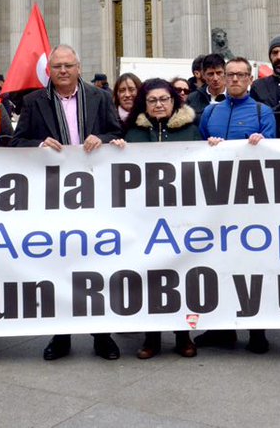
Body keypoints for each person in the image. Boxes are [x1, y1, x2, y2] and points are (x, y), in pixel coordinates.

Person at [12, 45, 123, 361]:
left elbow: (116, 132)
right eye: (57, 66)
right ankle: (61, 334)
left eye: (68, 65)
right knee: (59, 265)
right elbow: (17, 142)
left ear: (79, 67)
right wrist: (38, 143)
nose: (62, 70)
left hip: (95, 194)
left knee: (97, 264)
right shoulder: (34, 102)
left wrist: (100, 137)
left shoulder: (99, 98)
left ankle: (102, 335)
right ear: (50, 70)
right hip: (54, 196)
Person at [112, 78, 200, 359]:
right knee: (149, 277)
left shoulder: (191, 131)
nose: (159, 104)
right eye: (152, 100)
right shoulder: (133, 134)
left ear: (175, 101)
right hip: (145, 219)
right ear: (144, 104)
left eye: (164, 99)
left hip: (181, 219)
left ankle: (184, 336)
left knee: (182, 276)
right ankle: (152, 338)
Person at [197, 57, 276, 354]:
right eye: (230, 75)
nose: (234, 80)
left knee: (253, 267)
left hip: (251, 203)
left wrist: (261, 142)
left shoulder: (262, 111)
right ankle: (222, 330)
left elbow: (273, 148)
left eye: (241, 75)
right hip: (217, 202)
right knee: (218, 265)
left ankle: (258, 331)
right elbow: (198, 147)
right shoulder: (210, 112)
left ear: (250, 79)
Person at [185, 53, 227, 120]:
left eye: (219, 73)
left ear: (225, 73)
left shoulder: (236, 97)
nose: (215, 78)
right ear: (204, 75)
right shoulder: (192, 99)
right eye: (210, 74)